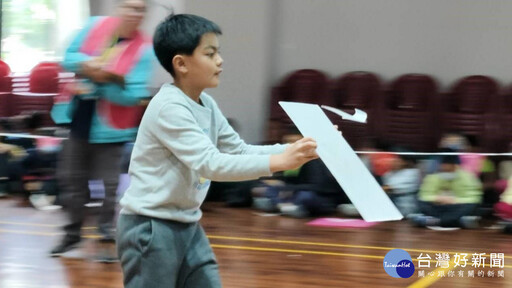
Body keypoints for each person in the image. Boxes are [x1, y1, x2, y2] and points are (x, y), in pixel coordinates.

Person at [116, 14, 318, 288]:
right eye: (210, 54)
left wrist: (295, 149)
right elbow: (211, 164)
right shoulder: (169, 107)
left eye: (218, 53)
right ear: (181, 64)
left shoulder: (206, 103)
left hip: (187, 224)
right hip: (150, 228)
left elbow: (238, 150)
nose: (220, 61)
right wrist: (279, 160)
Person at [49, 0, 155, 256]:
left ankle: (106, 231)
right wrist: (87, 65)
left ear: (144, 14)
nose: (133, 13)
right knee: (72, 182)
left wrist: (102, 80)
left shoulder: (145, 49)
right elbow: (67, 58)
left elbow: (133, 95)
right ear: (117, 8)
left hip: (112, 127)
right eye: (129, 6)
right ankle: (72, 235)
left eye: (139, 9)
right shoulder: (95, 26)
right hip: (78, 119)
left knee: (109, 186)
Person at [410, 151, 483, 229]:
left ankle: (431, 221)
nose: (445, 170)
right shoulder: (433, 177)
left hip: (457, 206)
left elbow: (474, 198)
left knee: (470, 206)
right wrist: (437, 198)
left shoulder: (467, 177)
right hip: (438, 206)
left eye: (448, 169)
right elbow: (423, 196)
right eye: (443, 168)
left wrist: (455, 200)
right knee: (421, 203)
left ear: (456, 166)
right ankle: (458, 222)